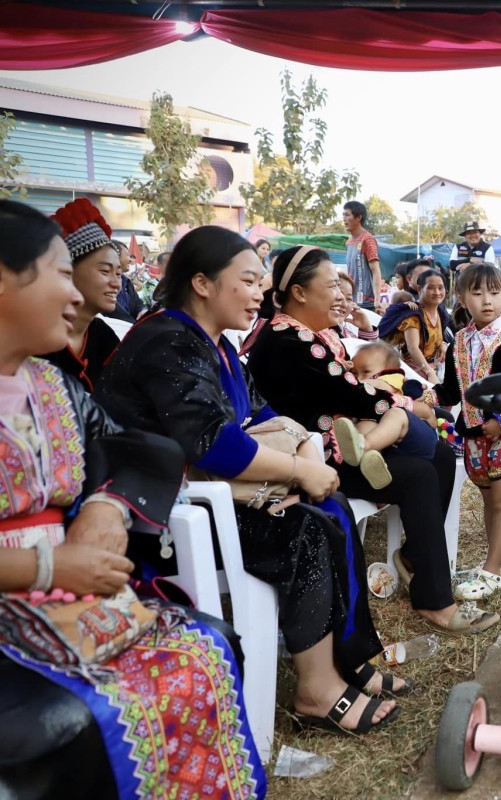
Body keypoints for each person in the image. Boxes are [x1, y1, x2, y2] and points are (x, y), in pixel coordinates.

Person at [0, 200, 266, 797]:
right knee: (73, 718)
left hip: (63, 598)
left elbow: (137, 449)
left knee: (206, 643)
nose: (77, 296)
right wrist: (47, 564)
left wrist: (105, 506)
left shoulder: (50, 384)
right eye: (62, 274)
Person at [98, 229, 405, 737]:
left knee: (333, 515)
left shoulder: (213, 345)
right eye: (247, 281)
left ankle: (347, 661)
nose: (259, 293)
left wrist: (307, 450)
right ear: (201, 283)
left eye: (260, 281)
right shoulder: (167, 341)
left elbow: (265, 412)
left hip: (213, 496)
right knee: (306, 532)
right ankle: (315, 690)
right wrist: (300, 470)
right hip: (161, 518)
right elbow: (212, 443)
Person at [245, 246, 499, 636]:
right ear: (299, 293)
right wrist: (410, 405)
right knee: (418, 474)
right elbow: (349, 391)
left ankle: (415, 557)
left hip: (341, 443)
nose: (341, 294)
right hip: (318, 457)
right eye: (331, 285)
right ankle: (435, 601)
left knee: (440, 458)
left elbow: (352, 382)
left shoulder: (310, 333)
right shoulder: (288, 340)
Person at [434, 264, 501, 601]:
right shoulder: (460, 342)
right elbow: (450, 391)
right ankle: (500, 557)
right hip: (473, 438)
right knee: (489, 500)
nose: (487, 301)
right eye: (477, 293)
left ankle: (492, 572)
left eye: (494, 292)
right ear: (462, 298)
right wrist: (417, 396)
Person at [332, 342, 443, 490]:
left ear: (390, 370)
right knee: (366, 424)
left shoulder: (392, 378)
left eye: (365, 371)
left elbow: (378, 385)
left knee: (395, 413)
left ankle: (364, 446)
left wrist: (347, 379)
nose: (359, 377)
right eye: (355, 373)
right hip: (393, 437)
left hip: (417, 435)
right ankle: (374, 466)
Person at [39, 199, 123, 393]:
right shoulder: (36, 338)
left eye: (118, 274)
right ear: (67, 272)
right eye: (105, 271)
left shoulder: (104, 337)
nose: (116, 283)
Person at [378, 268, 452, 383]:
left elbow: (440, 336)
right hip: (413, 371)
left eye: (440, 288)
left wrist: (443, 344)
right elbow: (413, 348)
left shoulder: (441, 312)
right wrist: (429, 373)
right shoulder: (414, 315)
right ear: (419, 289)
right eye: (431, 288)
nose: (437, 292)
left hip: (434, 367)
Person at [343, 200, 381, 310]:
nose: (344, 219)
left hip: (366, 302)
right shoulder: (349, 241)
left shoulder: (367, 239)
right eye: (343, 215)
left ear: (358, 218)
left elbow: (376, 270)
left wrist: (377, 299)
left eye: (347, 215)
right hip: (352, 300)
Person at [336, 270, 380, 341]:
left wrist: (367, 329)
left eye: (349, 299)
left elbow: (372, 350)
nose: (344, 304)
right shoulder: (316, 334)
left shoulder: (348, 332)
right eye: (339, 295)